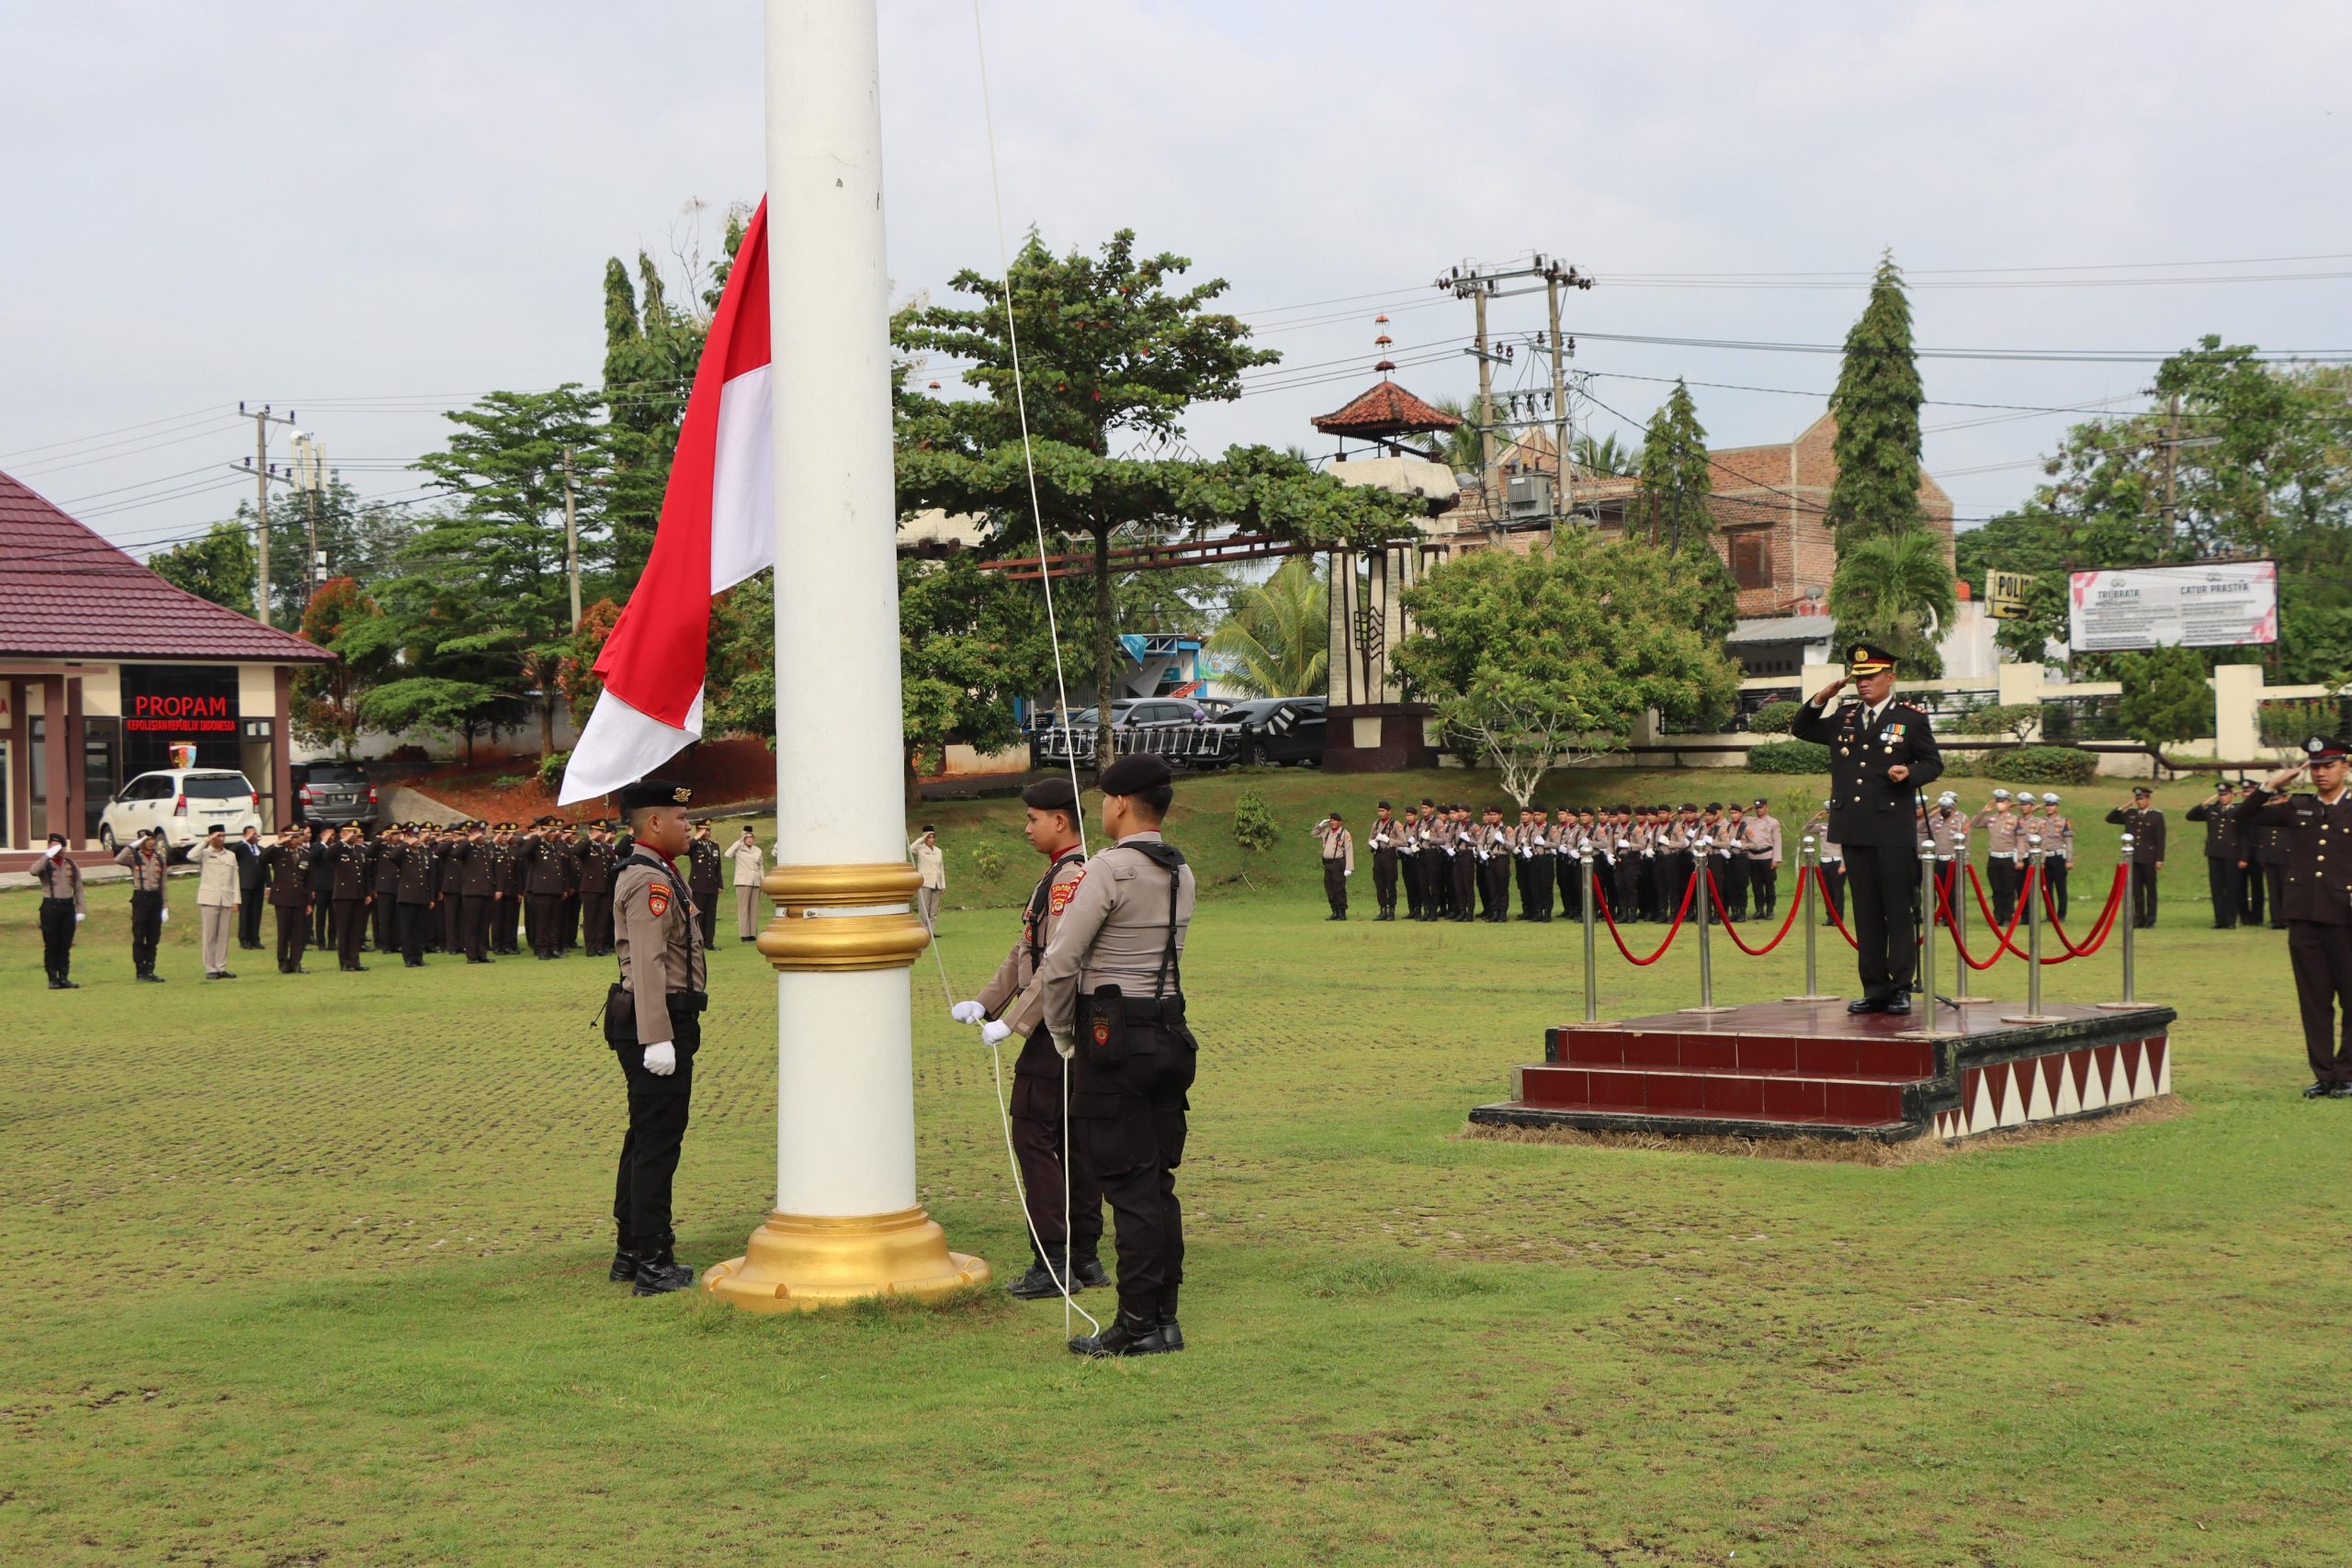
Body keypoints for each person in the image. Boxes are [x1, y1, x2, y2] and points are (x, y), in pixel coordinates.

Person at [1039, 753, 1195, 1358]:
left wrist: (1062, 1034)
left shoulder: (1108, 870)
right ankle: (1164, 1317)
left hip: (1114, 1037)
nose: (1100, 808)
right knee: (1158, 1183)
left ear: (1122, 803)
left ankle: (1135, 1322)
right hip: (1169, 1030)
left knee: (1128, 1187)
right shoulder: (1180, 870)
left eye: (1103, 800)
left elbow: (1061, 961)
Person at [952, 775, 1104, 1299]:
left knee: (1036, 1136)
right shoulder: (1058, 874)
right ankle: (1084, 1256)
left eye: (1032, 819)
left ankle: (1053, 1260)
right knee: (1072, 1140)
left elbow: (1059, 963)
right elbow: (1025, 953)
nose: (1026, 829)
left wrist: (1015, 1021)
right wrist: (986, 1001)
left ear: (1059, 821)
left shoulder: (1070, 878)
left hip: (1055, 1025)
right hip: (1064, 1022)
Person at [1790, 641, 1943, 1014]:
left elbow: (1932, 763)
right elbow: (1802, 728)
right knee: (1867, 912)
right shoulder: (1843, 717)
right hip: (1854, 827)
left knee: (1897, 909)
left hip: (1892, 827)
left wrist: (1909, 774)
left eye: (1871, 676)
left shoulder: (1910, 719)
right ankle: (1875, 987)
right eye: (1858, 677)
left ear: (1890, 677)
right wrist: (1821, 697)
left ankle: (1901, 986)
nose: (1863, 683)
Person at [605, 778, 708, 1294]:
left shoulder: (657, 870)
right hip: (659, 1019)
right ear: (654, 823)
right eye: (681, 818)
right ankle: (653, 1260)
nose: (687, 826)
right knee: (657, 1143)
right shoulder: (650, 880)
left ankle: (631, 1249)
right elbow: (647, 964)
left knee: (644, 1136)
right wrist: (657, 1038)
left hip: (656, 1018)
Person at [2237, 739, 2352, 1098]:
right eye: (2315, 766)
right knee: (2313, 1001)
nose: (2320, 773)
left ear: (2345, 767)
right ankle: (2324, 1074)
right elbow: (2244, 817)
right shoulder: (2297, 807)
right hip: (2304, 917)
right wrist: (2271, 785)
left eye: (2328, 765)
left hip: (2346, 919)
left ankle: (2346, 1073)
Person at [2186, 781, 2244, 930]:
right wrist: (2208, 800)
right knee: (2216, 888)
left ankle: (2231, 920)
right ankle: (2220, 920)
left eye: (2225, 795)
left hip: (2232, 853)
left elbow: (2245, 835)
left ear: (2231, 795)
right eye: (2220, 795)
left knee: (2231, 888)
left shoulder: (2239, 810)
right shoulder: (2212, 810)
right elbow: (2190, 816)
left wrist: (2244, 856)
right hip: (2214, 853)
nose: (2223, 798)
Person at [117, 829, 173, 982]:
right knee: (139, 935)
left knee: (153, 936)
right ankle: (140, 971)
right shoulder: (134, 857)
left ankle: (150, 969)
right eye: (147, 840)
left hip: (155, 899)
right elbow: (118, 859)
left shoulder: (158, 859)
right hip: (140, 898)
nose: (151, 842)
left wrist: (165, 906)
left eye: (152, 839)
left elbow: (163, 885)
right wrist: (134, 845)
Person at [2106, 786, 2166, 929]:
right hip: (2134, 857)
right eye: (2138, 799)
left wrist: (2159, 859)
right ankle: (2139, 919)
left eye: (2142, 799)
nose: (2140, 802)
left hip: (2150, 857)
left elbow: (2160, 839)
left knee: (2150, 890)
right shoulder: (2130, 814)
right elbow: (2110, 818)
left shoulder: (2156, 816)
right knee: (2136, 891)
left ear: (2148, 799)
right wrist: (2126, 805)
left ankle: (2151, 920)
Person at [187, 822, 242, 980]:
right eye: (218, 836)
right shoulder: (204, 853)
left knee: (223, 936)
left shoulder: (230, 855)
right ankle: (210, 968)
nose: (222, 839)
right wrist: (206, 840)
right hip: (209, 899)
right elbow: (190, 855)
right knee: (209, 936)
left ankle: (221, 967)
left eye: (223, 835)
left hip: (226, 898)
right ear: (212, 837)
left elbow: (235, 879)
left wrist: (236, 900)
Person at [32, 833, 85, 988]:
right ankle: (52, 979)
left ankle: (64, 977)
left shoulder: (71, 864)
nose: (58, 849)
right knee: (51, 944)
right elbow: (33, 871)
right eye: (54, 846)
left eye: (60, 846)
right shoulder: (45, 864)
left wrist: (81, 909)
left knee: (65, 944)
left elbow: (79, 888)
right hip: (50, 907)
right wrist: (47, 855)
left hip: (68, 907)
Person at [257, 826, 311, 975]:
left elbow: (308, 880)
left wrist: (309, 902)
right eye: (292, 837)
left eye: (298, 836)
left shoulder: (305, 853)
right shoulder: (278, 852)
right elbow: (261, 859)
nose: (295, 840)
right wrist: (278, 843)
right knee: (284, 932)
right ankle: (283, 962)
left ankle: (296, 963)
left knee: (298, 934)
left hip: (299, 898)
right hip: (283, 898)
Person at [328, 823, 372, 971]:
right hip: (343, 895)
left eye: (355, 832)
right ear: (342, 833)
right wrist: (342, 841)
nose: (353, 835)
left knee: (356, 929)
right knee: (344, 929)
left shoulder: (360, 850)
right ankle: (345, 961)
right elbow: (326, 855)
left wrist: (367, 893)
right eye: (349, 832)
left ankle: (355, 960)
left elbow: (365, 874)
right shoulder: (339, 849)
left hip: (358, 895)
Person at [727, 825, 767, 942]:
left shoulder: (758, 850)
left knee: (754, 908)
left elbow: (761, 867)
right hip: (743, 882)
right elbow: (728, 854)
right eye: (747, 837)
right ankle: (744, 934)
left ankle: (752, 933)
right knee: (743, 909)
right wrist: (739, 841)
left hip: (755, 881)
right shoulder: (738, 848)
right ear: (743, 838)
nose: (749, 839)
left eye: (751, 837)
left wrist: (762, 882)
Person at [1311, 810, 1353, 920]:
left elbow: (1349, 851)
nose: (1332, 822)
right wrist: (1320, 825)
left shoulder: (1345, 833)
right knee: (1329, 888)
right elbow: (1313, 834)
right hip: (1328, 864)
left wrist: (1349, 868)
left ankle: (1342, 912)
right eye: (1331, 820)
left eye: (1334, 820)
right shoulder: (1327, 832)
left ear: (1340, 822)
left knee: (1339, 888)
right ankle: (1334, 911)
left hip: (1338, 864)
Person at [686, 820, 723, 949]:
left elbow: (718, 867)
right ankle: (698, 941)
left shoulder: (714, 846)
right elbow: (685, 849)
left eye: (708, 830)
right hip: (699, 885)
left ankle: (709, 942)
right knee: (699, 915)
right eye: (704, 830)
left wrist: (720, 884)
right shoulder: (695, 845)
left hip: (712, 885)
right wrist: (696, 837)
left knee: (710, 916)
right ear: (698, 830)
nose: (707, 833)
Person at [1745, 797, 1783, 918]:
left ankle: (1770, 910)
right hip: (1753, 857)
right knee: (1756, 885)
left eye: (1761, 807)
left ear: (1767, 807)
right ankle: (1759, 910)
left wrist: (1776, 859)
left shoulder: (1773, 822)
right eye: (1756, 808)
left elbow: (1777, 841)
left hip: (1767, 856)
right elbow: (1732, 819)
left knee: (1769, 884)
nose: (1759, 810)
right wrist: (1745, 810)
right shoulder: (1750, 821)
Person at [234, 823, 268, 950]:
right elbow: (232, 851)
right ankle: (244, 939)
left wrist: (268, 885)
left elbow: (265, 868)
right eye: (251, 834)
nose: (254, 836)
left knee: (256, 913)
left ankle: (255, 938)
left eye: (255, 833)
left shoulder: (261, 850)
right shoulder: (241, 849)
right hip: (245, 885)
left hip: (258, 885)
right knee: (245, 913)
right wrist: (244, 840)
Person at [1367, 803, 1402, 921]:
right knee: (1379, 883)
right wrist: (1371, 842)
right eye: (1379, 811)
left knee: (1390, 883)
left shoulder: (1395, 824)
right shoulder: (1376, 824)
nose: (1380, 813)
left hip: (1389, 855)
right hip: (1378, 855)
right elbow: (1370, 837)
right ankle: (1382, 910)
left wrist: (1389, 840)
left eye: (1382, 811)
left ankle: (1391, 910)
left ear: (1389, 811)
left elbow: (1403, 841)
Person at [909, 826, 946, 933]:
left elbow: (941, 867)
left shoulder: (938, 851)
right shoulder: (920, 848)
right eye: (928, 837)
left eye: (932, 837)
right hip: (925, 882)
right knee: (924, 909)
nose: (931, 840)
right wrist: (922, 838)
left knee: (933, 910)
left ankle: (931, 931)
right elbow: (910, 848)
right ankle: (924, 931)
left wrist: (943, 884)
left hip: (937, 883)